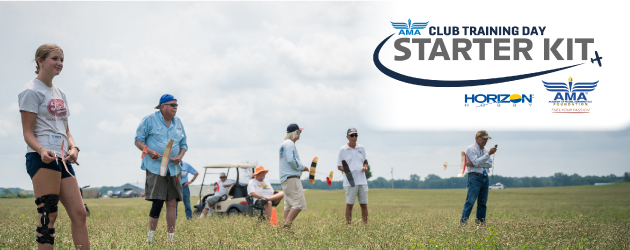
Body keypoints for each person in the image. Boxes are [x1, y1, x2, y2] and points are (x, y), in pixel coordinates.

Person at [18, 44, 90, 249]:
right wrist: (41, 149)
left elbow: (66, 131)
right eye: (55, 59)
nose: (59, 64)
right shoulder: (30, 91)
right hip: (42, 158)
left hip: (63, 159)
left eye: (62, 60)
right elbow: (27, 133)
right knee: (48, 215)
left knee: (79, 213)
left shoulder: (60, 93)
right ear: (40, 61)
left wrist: (74, 148)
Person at [134, 94, 188, 243]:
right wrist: (150, 152)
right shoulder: (149, 120)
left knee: (172, 203)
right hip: (155, 167)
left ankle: (171, 239)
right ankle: (150, 239)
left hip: (174, 169)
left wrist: (180, 156)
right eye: (172, 105)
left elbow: (184, 145)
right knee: (157, 202)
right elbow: (138, 141)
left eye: (176, 105)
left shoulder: (178, 123)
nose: (175, 107)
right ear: (163, 106)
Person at [460, 130, 496, 224]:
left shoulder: (487, 150)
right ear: (477, 138)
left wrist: (476, 163)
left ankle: (480, 224)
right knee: (470, 202)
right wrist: (487, 155)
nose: (485, 141)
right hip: (474, 177)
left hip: (485, 177)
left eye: (487, 139)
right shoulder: (471, 149)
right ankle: (463, 224)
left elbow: (489, 164)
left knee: (482, 203)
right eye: (484, 139)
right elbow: (477, 162)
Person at [279, 123, 309, 228]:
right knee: (299, 204)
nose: (300, 134)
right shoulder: (290, 143)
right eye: (299, 132)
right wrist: (302, 167)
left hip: (285, 179)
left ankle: (286, 230)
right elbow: (292, 160)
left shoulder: (284, 144)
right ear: (295, 132)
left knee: (288, 206)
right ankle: (286, 227)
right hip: (292, 179)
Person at [337, 128, 369, 224]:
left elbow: (365, 161)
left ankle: (365, 226)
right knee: (350, 205)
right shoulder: (343, 149)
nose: (354, 137)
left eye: (356, 135)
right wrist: (347, 170)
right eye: (352, 135)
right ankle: (348, 226)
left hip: (362, 181)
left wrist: (365, 167)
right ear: (347, 137)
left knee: (364, 205)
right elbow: (339, 166)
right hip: (350, 182)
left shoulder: (361, 148)